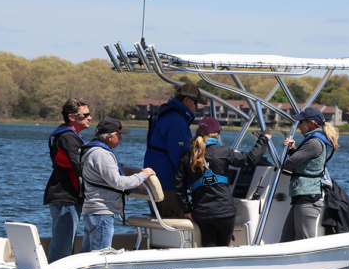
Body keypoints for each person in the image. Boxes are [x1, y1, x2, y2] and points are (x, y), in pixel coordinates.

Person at [174, 117, 271, 247]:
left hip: (202, 212)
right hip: (224, 211)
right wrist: (263, 138)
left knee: (209, 250)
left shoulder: (188, 156)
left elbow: (179, 185)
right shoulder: (223, 152)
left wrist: (186, 209)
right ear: (217, 134)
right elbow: (251, 158)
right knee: (223, 250)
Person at [79, 118, 155, 252]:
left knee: (87, 253)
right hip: (102, 213)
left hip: (92, 211)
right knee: (101, 256)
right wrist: (144, 175)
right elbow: (119, 183)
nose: (120, 139)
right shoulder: (102, 154)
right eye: (119, 135)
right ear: (109, 137)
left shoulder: (91, 150)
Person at [144, 83, 208, 218]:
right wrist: (193, 182)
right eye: (196, 102)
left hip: (156, 184)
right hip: (169, 187)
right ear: (186, 100)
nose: (196, 107)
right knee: (175, 225)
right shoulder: (176, 120)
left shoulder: (164, 114)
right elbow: (180, 157)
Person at [43, 98, 92, 263]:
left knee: (64, 243)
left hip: (66, 196)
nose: (89, 118)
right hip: (65, 196)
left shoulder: (68, 135)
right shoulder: (68, 137)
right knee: (62, 247)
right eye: (85, 115)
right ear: (72, 117)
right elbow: (79, 166)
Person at [280, 107, 339, 241]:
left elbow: (288, 164)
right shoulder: (313, 141)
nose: (299, 125)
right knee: (286, 240)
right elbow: (300, 162)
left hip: (307, 200)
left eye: (301, 122)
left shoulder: (313, 143)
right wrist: (292, 150)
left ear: (312, 124)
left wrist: (287, 153)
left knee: (304, 242)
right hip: (302, 198)